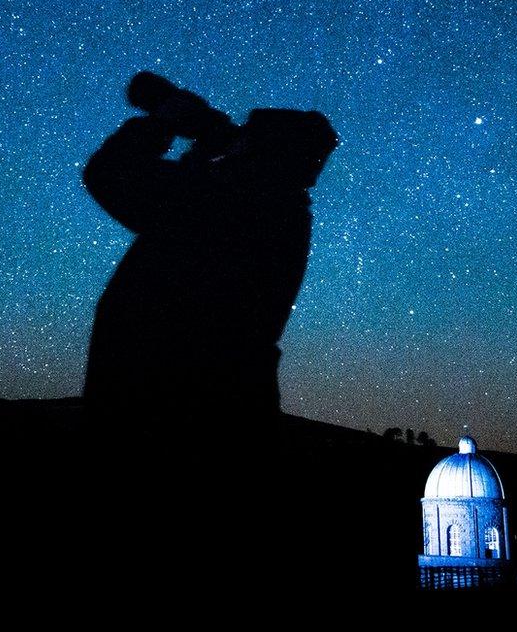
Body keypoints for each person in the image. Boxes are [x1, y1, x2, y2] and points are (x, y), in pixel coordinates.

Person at [80, 75, 338, 436]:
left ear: (264, 152)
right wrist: (209, 151)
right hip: (227, 404)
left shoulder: (229, 200)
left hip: (156, 405)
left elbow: (109, 173)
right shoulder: (282, 211)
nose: (235, 135)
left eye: (246, 134)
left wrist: (164, 120)